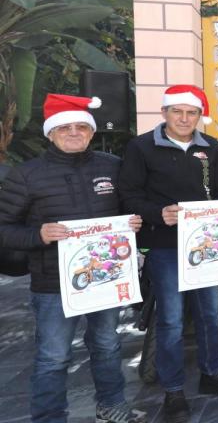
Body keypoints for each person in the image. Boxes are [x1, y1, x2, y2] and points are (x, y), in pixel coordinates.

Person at [0, 94, 146, 423]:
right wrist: (38, 235)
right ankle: (50, 418)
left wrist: (133, 222)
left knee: (108, 345)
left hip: (106, 281)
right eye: (65, 127)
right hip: (53, 285)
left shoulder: (112, 166)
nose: (74, 132)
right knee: (54, 356)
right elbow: (4, 228)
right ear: (50, 133)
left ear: (92, 132)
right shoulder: (27, 175)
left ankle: (111, 405)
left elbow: (128, 209)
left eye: (82, 126)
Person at [118, 85, 218, 421]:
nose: (185, 118)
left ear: (199, 116)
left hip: (206, 244)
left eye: (191, 113)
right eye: (177, 111)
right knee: (171, 320)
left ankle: (212, 373)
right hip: (164, 246)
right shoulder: (141, 147)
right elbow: (128, 194)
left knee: (209, 314)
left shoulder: (210, 146)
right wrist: (158, 213)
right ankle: (173, 389)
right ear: (164, 114)